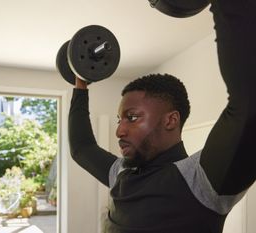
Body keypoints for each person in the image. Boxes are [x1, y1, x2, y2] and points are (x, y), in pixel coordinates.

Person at [68, 0, 256, 232]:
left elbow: (249, 109)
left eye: (132, 117)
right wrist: (80, 83)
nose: (119, 130)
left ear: (171, 120)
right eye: (120, 120)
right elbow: (81, 148)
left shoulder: (201, 180)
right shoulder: (122, 173)